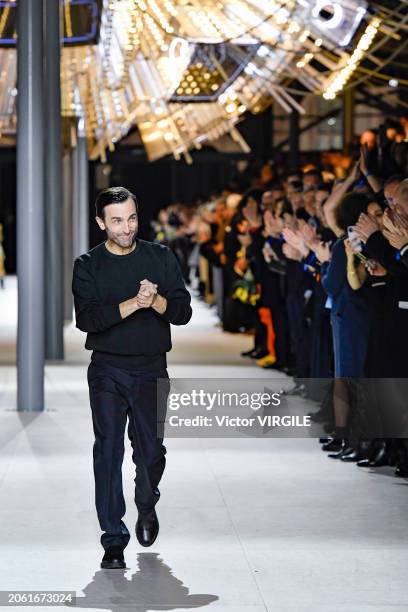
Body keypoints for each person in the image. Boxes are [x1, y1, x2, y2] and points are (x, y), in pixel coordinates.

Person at [72, 187, 192, 570]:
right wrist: (132, 304)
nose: (127, 228)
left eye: (132, 218)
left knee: (151, 453)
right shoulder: (87, 265)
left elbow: (183, 312)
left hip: (151, 368)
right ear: (101, 223)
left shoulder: (160, 257)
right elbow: (87, 320)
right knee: (107, 452)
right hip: (107, 369)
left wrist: (155, 302)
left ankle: (146, 499)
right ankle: (113, 538)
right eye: (117, 221)